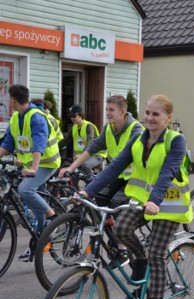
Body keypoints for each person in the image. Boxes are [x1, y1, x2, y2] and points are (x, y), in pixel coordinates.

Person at [80, 94, 192, 299]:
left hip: (169, 206)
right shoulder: (138, 140)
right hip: (143, 201)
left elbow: (168, 171)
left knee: (157, 252)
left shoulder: (176, 140)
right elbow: (115, 167)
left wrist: (155, 200)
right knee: (120, 228)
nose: (149, 118)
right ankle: (140, 261)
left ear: (168, 118)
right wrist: (87, 192)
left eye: (156, 114)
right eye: (148, 113)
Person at [0, 85, 61, 261]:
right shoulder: (15, 119)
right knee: (34, 205)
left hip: (46, 163)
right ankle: (38, 241)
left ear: (13, 99)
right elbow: (8, 143)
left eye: (8, 98)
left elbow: (39, 143)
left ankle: (53, 216)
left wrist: (34, 168)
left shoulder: (36, 117)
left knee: (25, 190)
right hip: (31, 164)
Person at [58, 95, 144, 204]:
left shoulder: (136, 129)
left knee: (117, 202)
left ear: (122, 111)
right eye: (106, 109)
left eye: (111, 110)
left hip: (135, 178)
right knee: (99, 196)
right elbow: (93, 147)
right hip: (117, 174)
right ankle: (107, 221)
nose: (107, 113)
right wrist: (70, 168)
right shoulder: (109, 128)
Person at [59, 104, 106, 175]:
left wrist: (81, 156)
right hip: (83, 155)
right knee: (73, 172)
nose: (72, 118)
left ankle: (93, 183)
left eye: (74, 116)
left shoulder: (89, 126)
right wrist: (53, 148)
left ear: (80, 115)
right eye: (70, 117)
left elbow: (90, 142)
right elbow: (65, 141)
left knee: (85, 166)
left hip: (97, 154)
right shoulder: (74, 128)